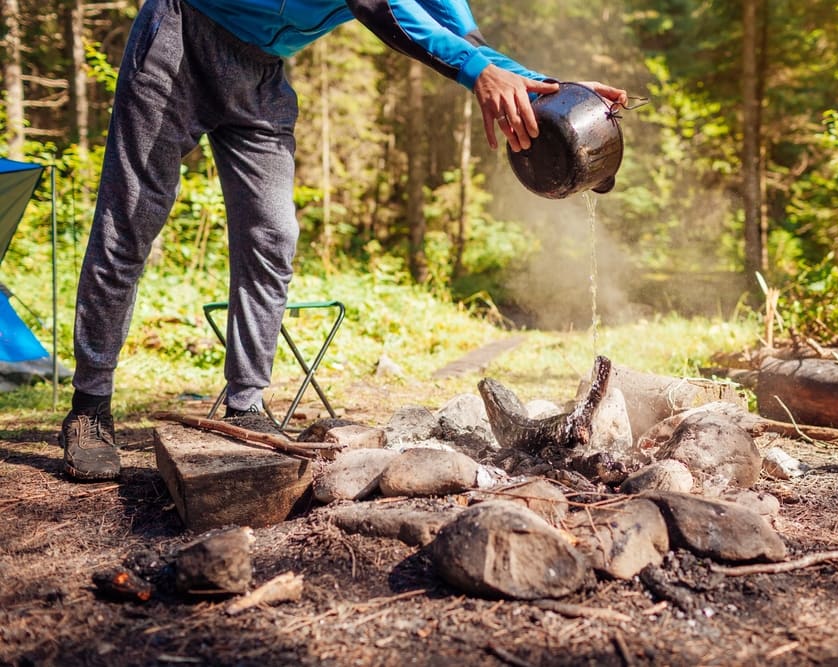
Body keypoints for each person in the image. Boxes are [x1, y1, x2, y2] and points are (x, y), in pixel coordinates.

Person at [59, 0, 628, 481]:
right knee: (130, 219)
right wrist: (478, 71)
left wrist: (545, 90)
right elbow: (382, 7)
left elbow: (457, 33)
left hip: (261, 72)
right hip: (183, 37)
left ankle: (246, 403)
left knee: (272, 234)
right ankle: (90, 406)